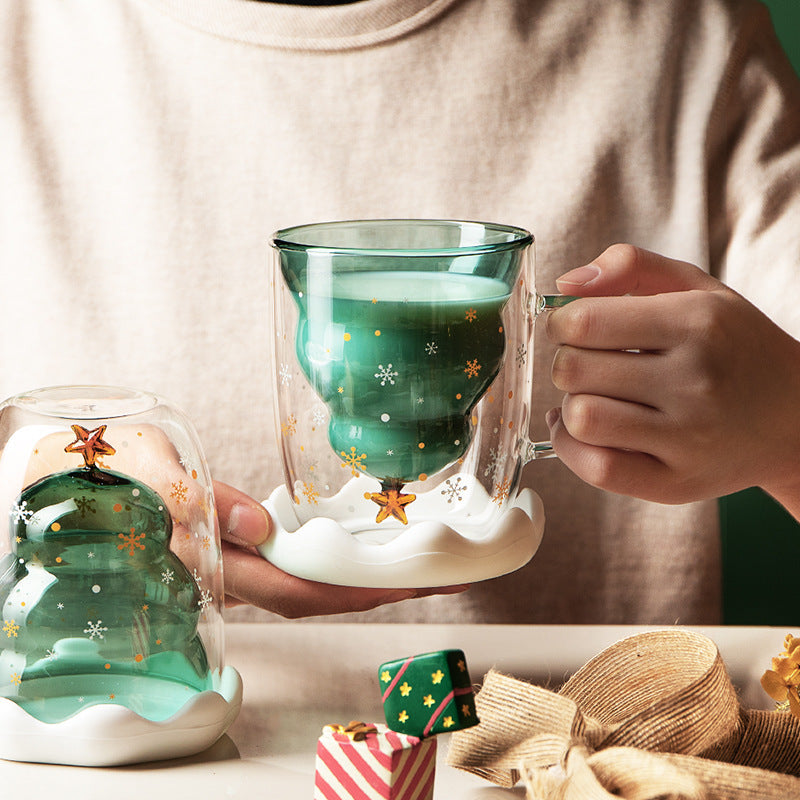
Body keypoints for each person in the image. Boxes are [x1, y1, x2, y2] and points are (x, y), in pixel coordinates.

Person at [1, 0, 799, 624]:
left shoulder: (683, 43)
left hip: (571, 755)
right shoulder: (23, 42)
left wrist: (788, 423)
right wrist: (38, 495)